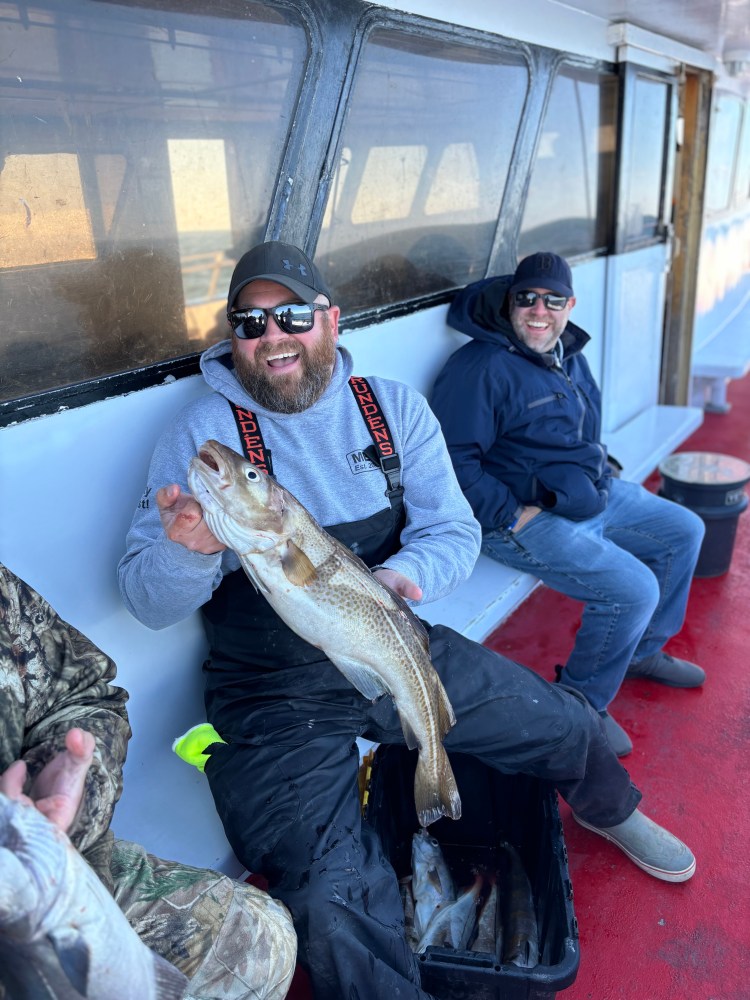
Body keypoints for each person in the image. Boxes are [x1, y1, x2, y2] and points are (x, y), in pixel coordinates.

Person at [119, 240, 697, 1000]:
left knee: (565, 722)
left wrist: (404, 577)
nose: (272, 336)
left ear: (328, 318)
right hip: (273, 692)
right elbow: (146, 599)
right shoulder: (202, 437)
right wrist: (189, 552)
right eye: (249, 322)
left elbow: (452, 531)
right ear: (233, 337)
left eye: (291, 314)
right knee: (331, 906)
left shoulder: (389, 408)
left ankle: (609, 809)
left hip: (389, 634)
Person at [430, 251, 706, 757]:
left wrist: (600, 472)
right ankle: (581, 707)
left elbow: (586, 429)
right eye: (527, 298)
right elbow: (451, 462)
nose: (539, 310)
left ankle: (641, 652)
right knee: (633, 589)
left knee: (684, 530)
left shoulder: (568, 354)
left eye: (553, 300)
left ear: (570, 304)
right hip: (515, 516)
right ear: (510, 302)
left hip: (584, 493)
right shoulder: (480, 368)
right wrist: (509, 513)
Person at [0, 561, 297, 1000]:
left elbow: (82, 693)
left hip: (43, 854)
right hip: (29, 893)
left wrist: (70, 776)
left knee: (259, 941)